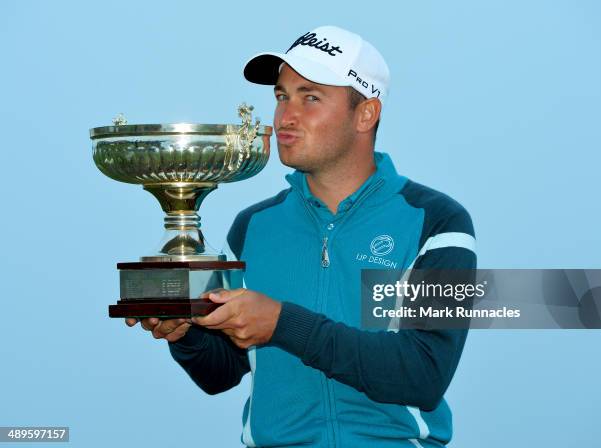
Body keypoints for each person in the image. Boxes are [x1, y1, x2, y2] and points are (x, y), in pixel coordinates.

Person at [126, 25, 476, 448]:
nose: (285, 116)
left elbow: (423, 373)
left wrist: (281, 323)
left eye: (310, 97)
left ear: (366, 113)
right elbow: (221, 373)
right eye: (281, 96)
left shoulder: (436, 221)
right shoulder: (254, 225)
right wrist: (187, 333)